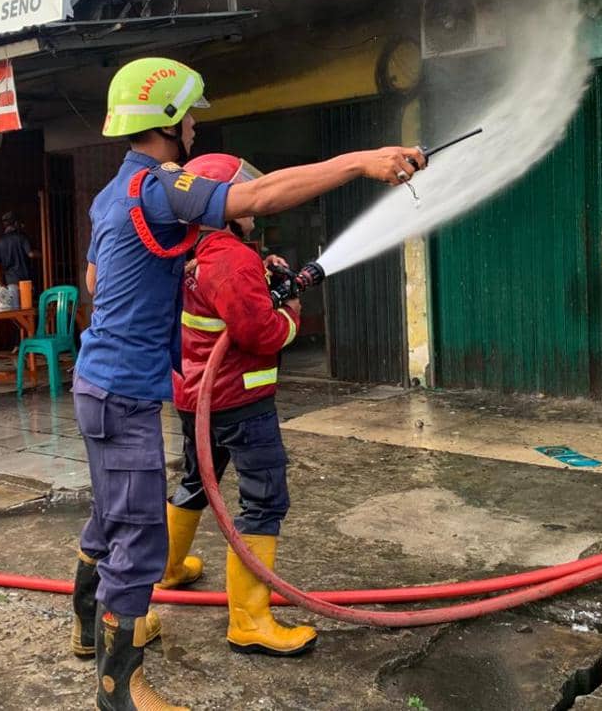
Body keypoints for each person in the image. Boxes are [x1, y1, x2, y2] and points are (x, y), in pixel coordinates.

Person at [72, 55, 425, 711]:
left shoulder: (112, 194)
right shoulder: (157, 187)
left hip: (100, 384)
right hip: (121, 394)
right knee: (137, 535)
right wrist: (360, 163)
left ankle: (84, 632)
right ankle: (120, 691)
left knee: (110, 519)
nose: (199, 125)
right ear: (170, 121)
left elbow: (95, 282)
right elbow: (258, 196)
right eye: (192, 114)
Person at [163, 152, 316, 657]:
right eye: (237, 193)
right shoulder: (232, 260)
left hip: (194, 399)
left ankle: (169, 569)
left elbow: (227, 300)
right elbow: (260, 333)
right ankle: (249, 619)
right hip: (240, 402)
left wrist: (262, 270)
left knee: (194, 481)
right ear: (218, 204)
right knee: (264, 500)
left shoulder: (190, 252)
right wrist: (291, 309)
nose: (249, 201)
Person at [0, 211, 35, 288]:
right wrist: (44, 254)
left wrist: (0, 282)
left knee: (14, 299)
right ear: (16, 223)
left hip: (11, 281)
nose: (22, 225)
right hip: (26, 280)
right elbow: (31, 254)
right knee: (27, 300)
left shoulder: (0, 242)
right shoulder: (22, 237)